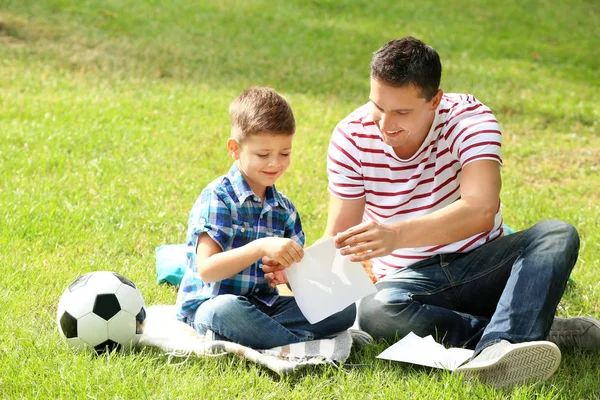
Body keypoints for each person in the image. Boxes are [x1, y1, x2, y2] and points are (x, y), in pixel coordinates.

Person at [315, 37, 599, 388]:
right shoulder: (351, 137)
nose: (385, 124)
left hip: (483, 265)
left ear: (435, 99)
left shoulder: (469, 118)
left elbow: (481, 209)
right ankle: (527, 334)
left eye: (402, 112)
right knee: (376, 310)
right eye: (378, 106)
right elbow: (339, 235)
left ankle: (505, 339)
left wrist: (396, 235)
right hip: (410, 280)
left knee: (556, 234)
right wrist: (300, 272)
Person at [175, 87, 356, 349]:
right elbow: (207, 270)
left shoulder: (284, 209)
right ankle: (294, 346)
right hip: (212, 306)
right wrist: (260, 247)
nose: (275, 163)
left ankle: (265, 339)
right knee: (223, 311)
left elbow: (300, 282)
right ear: (234, 149)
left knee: (344, 309)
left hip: (264, 307)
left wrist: (290, 276)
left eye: (285, 153)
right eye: (263, 155)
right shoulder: (218, 198)